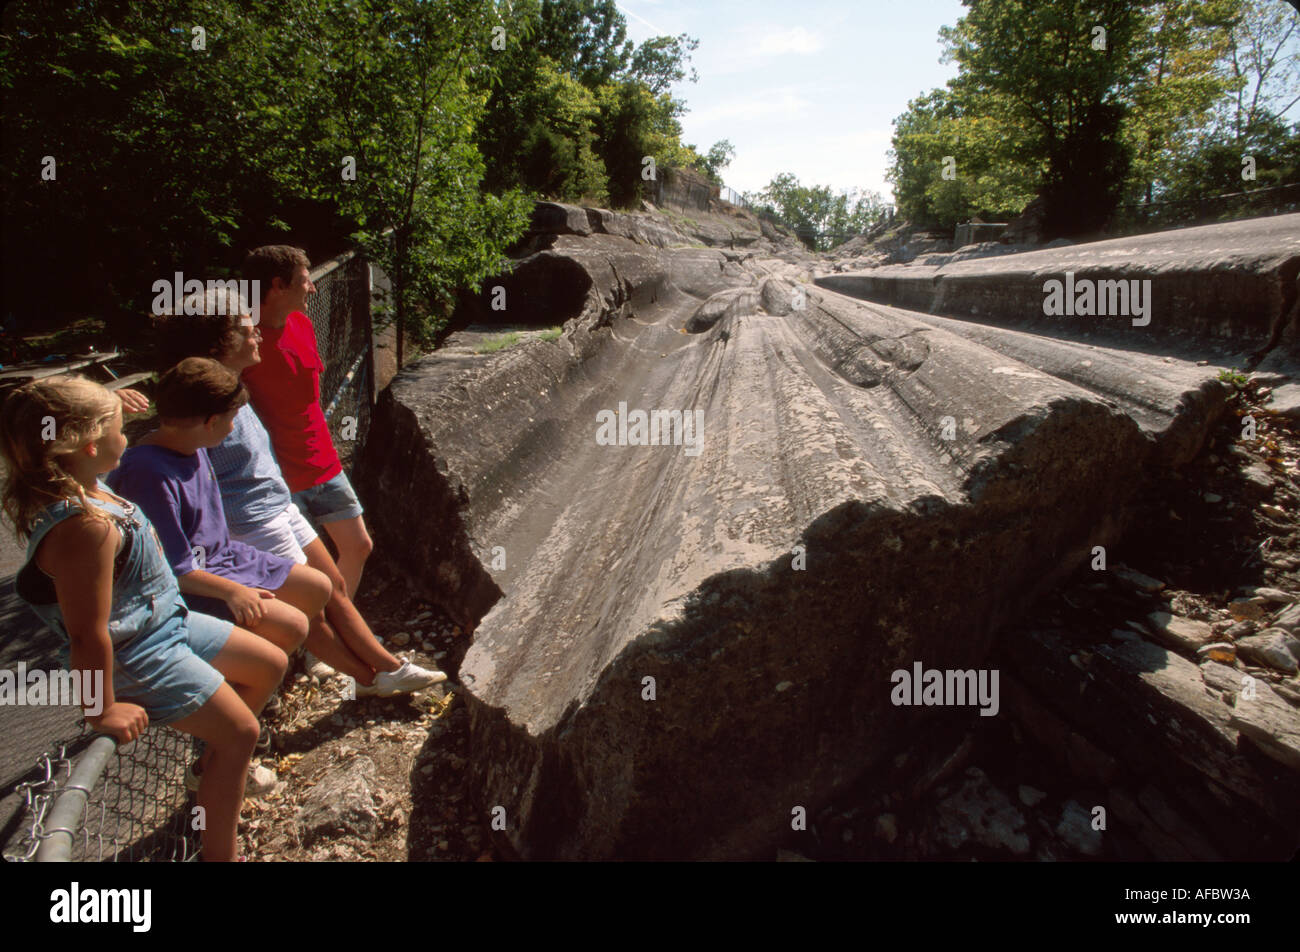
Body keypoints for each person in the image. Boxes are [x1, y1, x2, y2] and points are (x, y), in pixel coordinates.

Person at [1, 375, 284, 861]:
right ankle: (222, 852)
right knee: (242, 732)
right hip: (140, 653)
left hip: (166, 623)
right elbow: (87, 636)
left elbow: (89, 433)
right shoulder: (83, 529)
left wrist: (111, 405)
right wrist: (101, 709)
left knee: (269, 663)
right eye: (118, 428)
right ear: (89, 444)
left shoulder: (92, 485)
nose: (128, 434)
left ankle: (210, 772)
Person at [154, 291, 445, 696]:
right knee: (311, 609)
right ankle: (373, 677)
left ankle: (383, 668)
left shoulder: (228, 385)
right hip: (251, 519)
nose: (255, 331)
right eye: (242, 328)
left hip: (277, 503)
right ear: (217, 344)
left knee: (333, 586)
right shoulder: (203, 399)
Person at [105, 358, 329, 670]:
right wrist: (235, 592)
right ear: (210, 421)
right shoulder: (148, 474)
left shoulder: (192, 444)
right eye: (231, 418)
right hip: (189, 584)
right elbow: (173, 569)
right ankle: (244, 675)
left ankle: (257, 664)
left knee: (318, 587)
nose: (234, 427)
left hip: (222, 558)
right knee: (291, 625)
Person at [242, 245, 372, 600]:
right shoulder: (241, 341)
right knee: (301, 574)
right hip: (278, 475)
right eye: (303, 281)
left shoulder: (302, 322)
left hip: (322, 460)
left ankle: (339, 626)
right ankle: (316, 640)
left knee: (358, 546)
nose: (312, 288)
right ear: (277, 286)